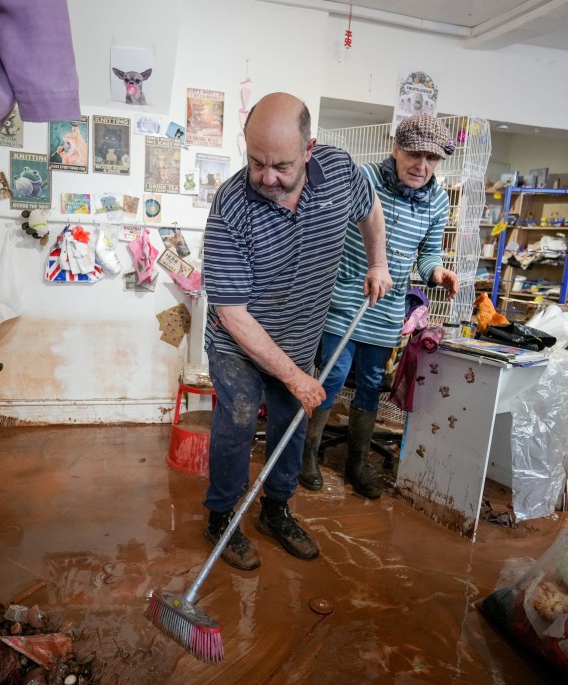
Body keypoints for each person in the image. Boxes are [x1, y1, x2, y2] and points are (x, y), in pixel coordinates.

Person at [201, 92, 393, 571]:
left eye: (282, 166)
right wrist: (295, 376)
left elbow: (370, 209)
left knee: (291, 420)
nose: (267, 178)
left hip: (299, 334)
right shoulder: (231, 207)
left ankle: (275, 510)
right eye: (256, 163)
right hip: (237, 342)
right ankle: (222, 516)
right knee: (242, 412)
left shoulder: (340, 173)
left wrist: (378, 262)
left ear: (310, 149)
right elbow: (231, 311)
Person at [299, 114, 459, 499]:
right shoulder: (365, 179)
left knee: (371, 385)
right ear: (396, 149)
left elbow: (427, 255)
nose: (422, 166)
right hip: (344, 299)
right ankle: (307, 452)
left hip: (387, 311)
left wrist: (437, 272)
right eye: (414, 155)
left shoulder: (437, 200)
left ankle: (357, 462)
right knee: (332, 377)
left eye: (432, 159)